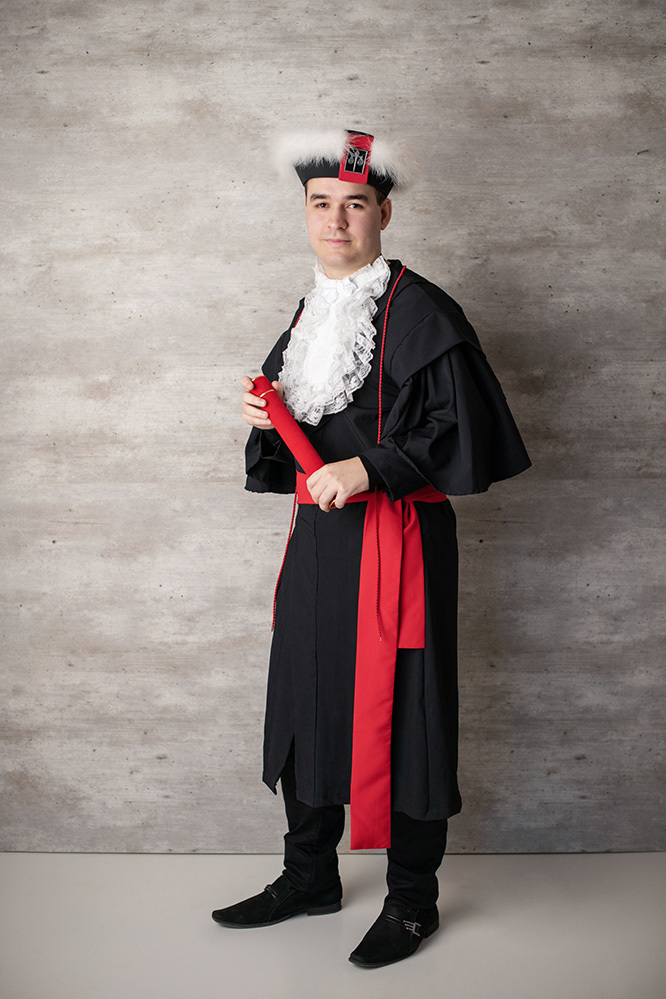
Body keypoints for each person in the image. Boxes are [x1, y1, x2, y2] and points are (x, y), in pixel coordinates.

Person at [212, 128, 531, 968]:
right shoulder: (310, 310)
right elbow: (305, 434)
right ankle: (309, 875)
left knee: (411, 711)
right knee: (307, 694)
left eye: (354, 204)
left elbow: (457, 426)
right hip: (321, 543)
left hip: (401, 540)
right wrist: (266, 419)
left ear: (383, 213)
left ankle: (414, 902)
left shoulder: (422, 309)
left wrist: (368, 468)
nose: (336, 220)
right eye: (321, 204)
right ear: (305, 212)